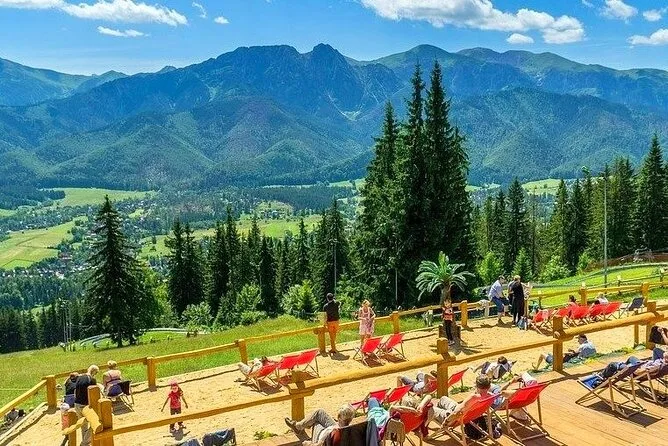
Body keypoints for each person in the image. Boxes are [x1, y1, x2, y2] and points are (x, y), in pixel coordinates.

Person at [284, 404, 355, 446]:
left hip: (320, 439)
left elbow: (319, 445)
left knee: (316, 422)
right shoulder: (353, 429)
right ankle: (298, 426)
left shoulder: (332, 432)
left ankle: (298, 428)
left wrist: (307, 443)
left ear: (339, 417)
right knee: (319, 412)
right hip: (338, 429)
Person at [74, 365, 99, 446]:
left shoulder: (79, 378)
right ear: (94, 372)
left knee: (83, 425)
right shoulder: (92, 380)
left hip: (77, 404)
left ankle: (85, 443)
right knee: (96, 423)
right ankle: (84, 443)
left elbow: (75, 391)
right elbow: (93, 393)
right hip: (85, 406)